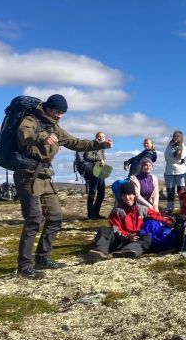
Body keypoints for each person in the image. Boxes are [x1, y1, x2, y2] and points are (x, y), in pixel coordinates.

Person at [14, 94, 113, 279]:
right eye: (57, 111)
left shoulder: (55, 128)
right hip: (27, 176)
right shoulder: (31, 120)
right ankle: (24, 266)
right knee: (33, 220)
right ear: (48, 108)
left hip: (44, 176)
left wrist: (100, 144)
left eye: (62, 113)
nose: (60, 115)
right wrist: (41, 137)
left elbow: (75, 143)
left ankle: (43, 258)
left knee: (56, 217)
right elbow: (24, 134)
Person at [87, 181, 173, 261]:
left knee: (148, 237)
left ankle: (128, 251)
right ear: (121, 197)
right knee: (104, 230)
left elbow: (156, 216)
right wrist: (128, 236)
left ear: (134, 195)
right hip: (120, 239)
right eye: (124, 195)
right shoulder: (116, 211)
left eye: (129, 195)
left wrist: (169, 221)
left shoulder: (142, 209)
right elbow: (116, 229)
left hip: (136, 239)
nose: (127, 198)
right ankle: (100, 251)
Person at [82, 131, 107, 219]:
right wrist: (99, 159)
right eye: (99, 136)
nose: (101, 138)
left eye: (103, 137)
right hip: (93, 171)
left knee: (101, 193)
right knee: (92, 192)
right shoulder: (92, 145)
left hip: (100, 171)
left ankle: (96, 213)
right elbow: (86, 156)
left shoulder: (102, 147)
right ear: (96, 137)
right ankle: (90, 214)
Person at [163, 131, 186, 212]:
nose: (176, 138)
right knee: (170, 191)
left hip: (181, 172)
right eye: (174, 136)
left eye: (178, 136)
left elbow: (181, 156)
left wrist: (178, 153)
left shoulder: (184, 147)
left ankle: (182, 209)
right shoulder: (168, 147)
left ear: (181, 137)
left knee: (181, 192)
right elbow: (167, 158)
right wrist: (177, 159)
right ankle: (170, 209)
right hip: (169, 172)